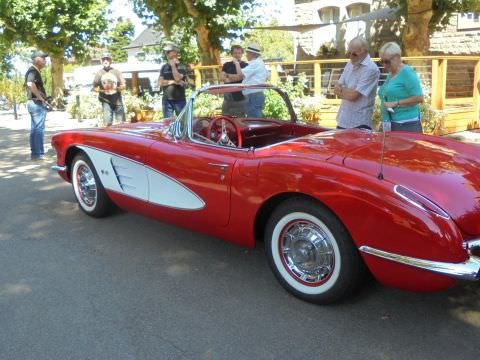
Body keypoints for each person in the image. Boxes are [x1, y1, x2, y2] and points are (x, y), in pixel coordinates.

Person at [334, 37, 380, 130]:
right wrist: (345, 91)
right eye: (349, 53)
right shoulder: (349, 63)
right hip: (343, 120)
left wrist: (342, 90)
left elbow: (353, 96)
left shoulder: (371, 69)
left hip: (359, 123)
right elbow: (336, 87)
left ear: (365, 52)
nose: (351, 56)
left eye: (354, 54)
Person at [378, 42, 424, 133]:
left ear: (398, 57)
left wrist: (396, 103)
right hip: (393, 122)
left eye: (387, 61)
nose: (384, 65)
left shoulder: (407, 72)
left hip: (407, 124)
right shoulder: (391, 73)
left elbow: (419, 98)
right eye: (382, 61)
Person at [232, 43, 268, 118]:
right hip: (254, 94)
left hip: (254, 95)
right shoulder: (257, 63)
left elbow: (240, 74)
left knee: (254, 119)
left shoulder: (256, 63)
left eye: (247, 53)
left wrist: (236, 63)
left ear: (252, 54)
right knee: (253, 118)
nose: (246, 55)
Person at [25, 50, 49, 160]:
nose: (45, 60)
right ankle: (38, 154)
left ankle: (35, 153)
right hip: (36, 103)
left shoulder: (34, 70)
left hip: (33, 103)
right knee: (38, 129)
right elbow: (30, 84)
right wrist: (40, 98)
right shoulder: (33, 70)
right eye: (43, 58)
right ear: (37, 59)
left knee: (35, 129)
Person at [93, 53, 126, 126]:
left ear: (111, 61)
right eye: (104, 59)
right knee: (107, 124)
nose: (105, 61)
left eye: (107, 59)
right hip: (106, 101)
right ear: (101, 61)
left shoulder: (116, 72)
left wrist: (116, 89)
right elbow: (95, 87)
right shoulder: (99, 73)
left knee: (122, 124)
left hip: (117, 101)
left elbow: (123, 85)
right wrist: (103, 91)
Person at [158, 44, 188, 118]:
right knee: (168, 123)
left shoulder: (182, 66)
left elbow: (177, 78)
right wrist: (174, 82)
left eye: (175, 56)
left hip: (180, 100)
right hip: (167, 100)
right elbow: (160, 82)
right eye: (171, 56)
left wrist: (173, 66)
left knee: (182, 122)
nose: (173, 58)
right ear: (167, 56)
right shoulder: (164, 67)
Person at [220, 45, 248, 117]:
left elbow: (240, 77)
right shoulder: (226, 65)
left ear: (242, 54)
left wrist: (228, 76)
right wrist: (235, 77)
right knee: (225, 118)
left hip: (240, 97)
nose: (237, 55)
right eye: (235, 53)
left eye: (239, 53)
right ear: (232, 54)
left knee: (239, 119)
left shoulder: (245, 65)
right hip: (227, 96)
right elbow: (222, 77)